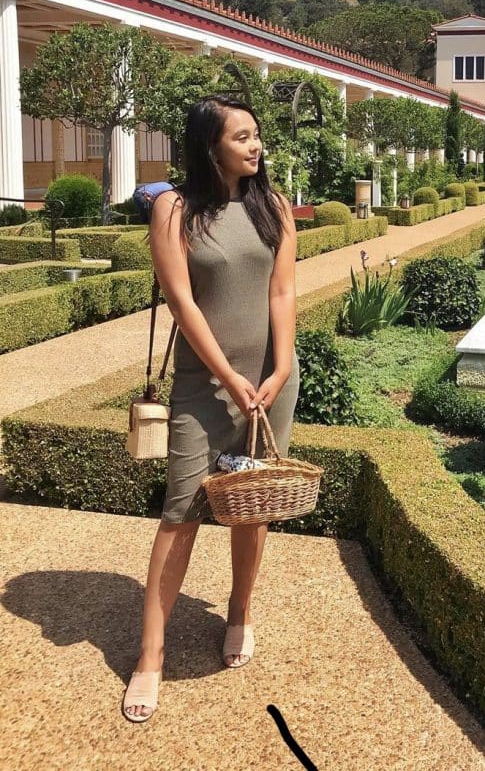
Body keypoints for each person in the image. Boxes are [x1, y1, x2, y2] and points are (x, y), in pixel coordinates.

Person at [122, 94, 300, 723]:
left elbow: (281, 293)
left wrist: (280, 368)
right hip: (205, 385)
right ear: (209, 145)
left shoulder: (273, 206)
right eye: (242, 137)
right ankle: (150, 655)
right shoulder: (174, 209)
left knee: (252, 508)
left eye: (257, 136)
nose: (256, 146)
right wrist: (227, 374)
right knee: (182, 512)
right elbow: (181, 301)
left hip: (270, 384)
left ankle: (241, 610)